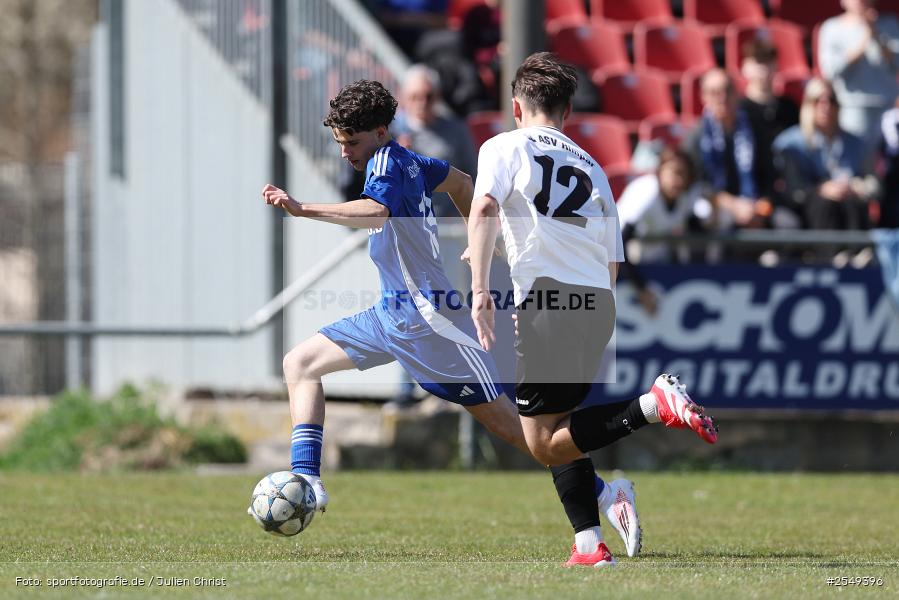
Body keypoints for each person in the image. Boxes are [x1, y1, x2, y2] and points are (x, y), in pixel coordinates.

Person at [260, 79, 641, 559]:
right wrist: (475, 235)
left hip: (428, 323)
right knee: (300, 364)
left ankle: (607, 494)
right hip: (390, 314)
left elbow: (376, 211)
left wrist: (303, 208)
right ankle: (308, 482)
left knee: (516, 427)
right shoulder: (413, 161)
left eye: (351, 142)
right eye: (339, 143)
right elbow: (462, 183)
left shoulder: (389, 164)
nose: (344, 154)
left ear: (380, 132)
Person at [466, 52, 718, 568]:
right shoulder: (593, 166)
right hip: (596, 303)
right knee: (561, 428)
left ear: (517, 106)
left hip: (548, 300)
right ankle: (589, 545)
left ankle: (651, 405)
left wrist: (481, 291)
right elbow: (611, 261)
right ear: (568, 110)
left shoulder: (504, 145)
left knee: (541, 442)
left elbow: (486, 206)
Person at [616, 147, 713, 314]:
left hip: (653, 267)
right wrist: (642, 289)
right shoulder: (646, 192)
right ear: (660, 170)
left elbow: (698, 229)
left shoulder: (685, 197)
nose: (678, 180)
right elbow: (616, 243)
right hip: (619, 271)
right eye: (675, 172)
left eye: (684, 174)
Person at [773, 78, 878, 231]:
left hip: (851, 210)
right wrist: (821, 189)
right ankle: (832, 253)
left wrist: (855, 187)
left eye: (831, 100)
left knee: (851, 202)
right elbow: (794, 189)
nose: (826, 107)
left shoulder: (856, 143)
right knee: (824, 203)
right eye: (818, 101)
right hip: (812, 212)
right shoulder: (790, 143)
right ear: (808, 106)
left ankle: (857, 252)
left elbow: (874, 184)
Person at [684, 69, 774, 233]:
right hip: (716, 204)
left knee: (787, 221)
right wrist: (733, 205)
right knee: (709, 215)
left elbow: (768, 173)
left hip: (754, 204)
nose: (722, 98)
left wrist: (760, 204)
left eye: (727, 91)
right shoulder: (696, 137)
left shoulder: (754, 128)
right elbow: (696, 184)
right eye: (714, 93)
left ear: (736, 94)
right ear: (704, 97)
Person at [818, 0, 899, 149]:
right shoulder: (832, 28)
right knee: (860, 161)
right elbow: (830, 71)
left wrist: (875, 35)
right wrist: (864, 40)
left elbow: (895, 63)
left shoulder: (890, 24)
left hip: (888, 106)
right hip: (853, 107)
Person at [739, 39, 799, 147]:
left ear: (776, 65)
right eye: (758, 62)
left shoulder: (789, 108)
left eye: (768, 61)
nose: (763, 68)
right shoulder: (738, 110)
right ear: (745, 67)